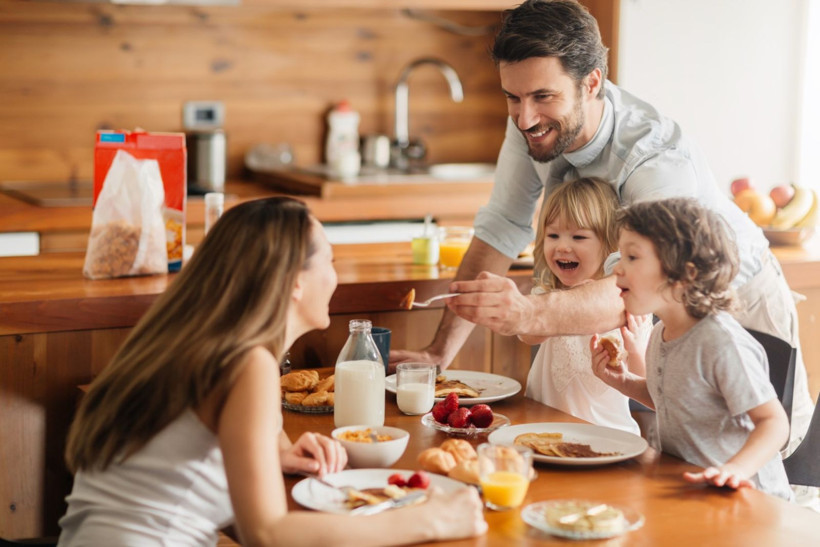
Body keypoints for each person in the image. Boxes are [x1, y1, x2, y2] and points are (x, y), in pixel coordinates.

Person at [390, 0, 813, 456]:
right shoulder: (532, 124)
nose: (524, 118)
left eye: (543, 97)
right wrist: (439, 352)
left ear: (591, 82)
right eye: (512, 97)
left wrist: (530, 314)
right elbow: (501, 229)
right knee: (686, 454)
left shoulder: (655, 159)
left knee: (757, 455)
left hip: (736, 301)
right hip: (657, 311)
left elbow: (640, 284)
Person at [58, 197, 487, 546]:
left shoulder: (185, 339)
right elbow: (265, 534)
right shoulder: (247, 363)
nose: (336, 278)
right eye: (330, 261)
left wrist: (272, 453)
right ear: (293, 282)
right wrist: (432, 521)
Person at [589, 198, 792, 500]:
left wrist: (734, 470)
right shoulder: (660, 334)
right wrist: (624, 382)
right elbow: (678, 401)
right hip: (697, 491)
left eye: (632, 257)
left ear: (685, 274)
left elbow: (774, 423)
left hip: (750, 498)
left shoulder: (721, 342)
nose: (616, 267)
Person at [521, 177, 649, 434]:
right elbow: (526, 333)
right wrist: (559, 312)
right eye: (553, 235)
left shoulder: (627, 304)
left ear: (610, 245)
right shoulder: (548, 295)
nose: (562, 246)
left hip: (606, 434)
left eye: (578, 236)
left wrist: (635, 349)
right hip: (543, 429)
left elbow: (646, 384)